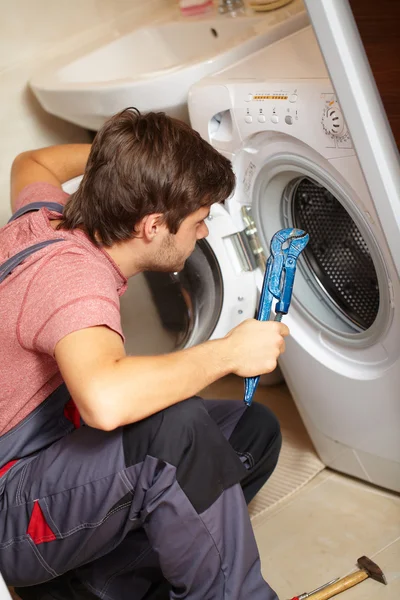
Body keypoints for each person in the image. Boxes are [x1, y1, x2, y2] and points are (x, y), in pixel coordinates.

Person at [0, 108, 289, 600]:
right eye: (198, 221)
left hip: (48, 460)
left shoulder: (45, 216)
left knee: (250, 432)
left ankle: (104, 586)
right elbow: (106, 400)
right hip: (13, 512)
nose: (202, 234)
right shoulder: (75, 279)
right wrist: (229, 352)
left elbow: (31, 161)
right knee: (175, 436)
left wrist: (132, 167)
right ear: (154, 225)